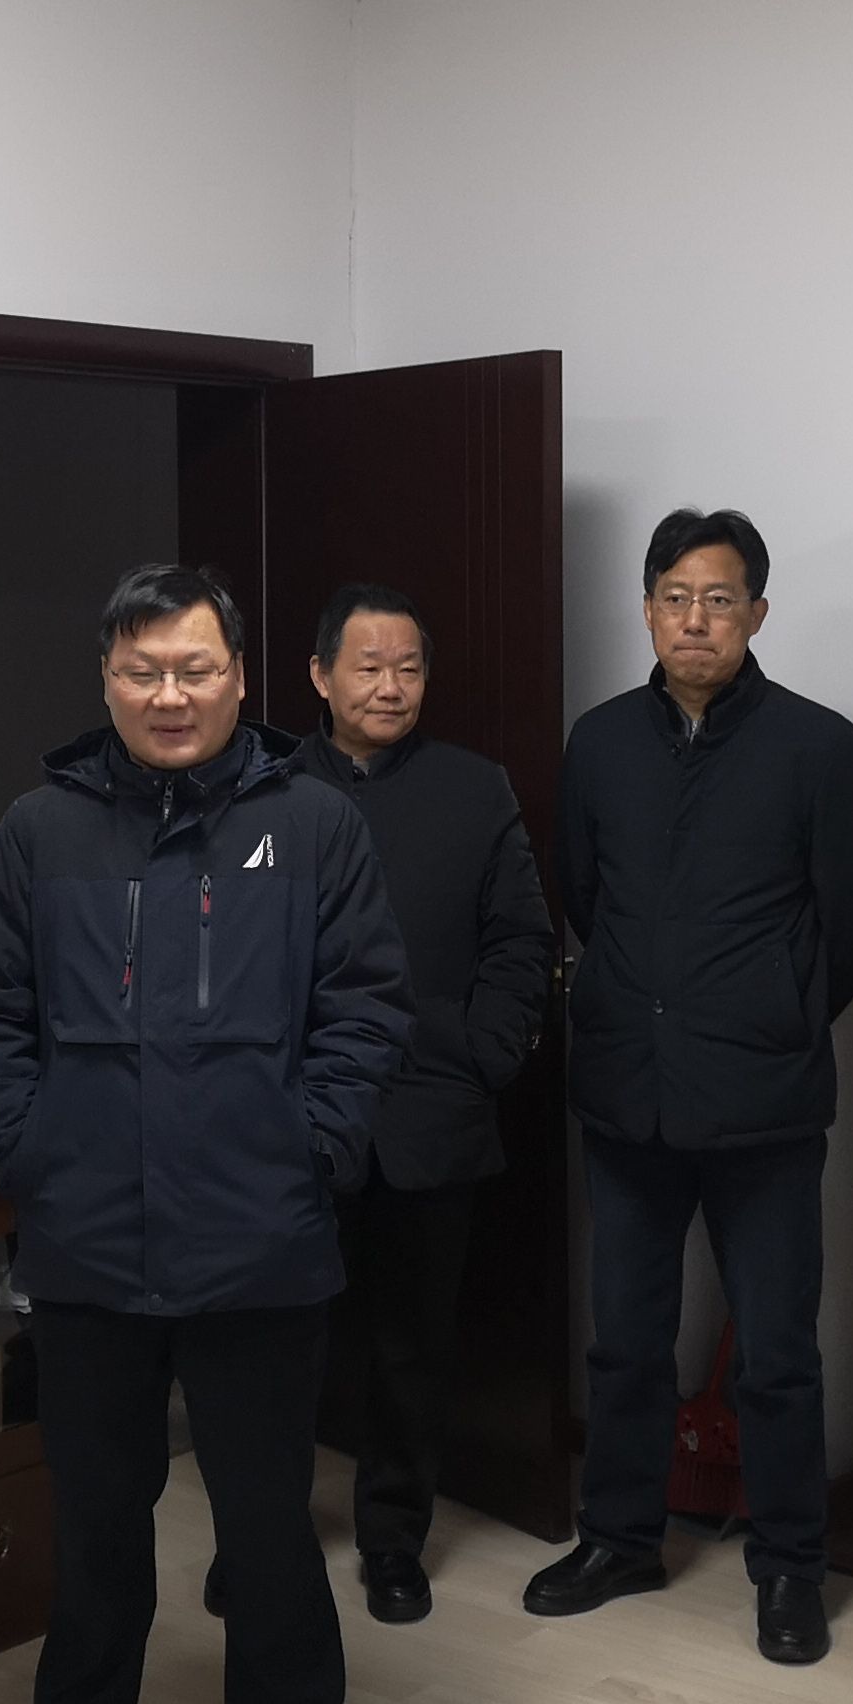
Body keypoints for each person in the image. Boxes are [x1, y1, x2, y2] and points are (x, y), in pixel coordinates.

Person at [0, 563, 414, 1704]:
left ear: (241, 678)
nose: (170, 695)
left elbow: (367, 1006)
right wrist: (30, 1151)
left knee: (268, 1529)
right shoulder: (42, 831)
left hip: (261, 1243)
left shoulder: (312, 824)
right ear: (106, 681)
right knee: (96, 1525)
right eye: (142, 671)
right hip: (88, 1245)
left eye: (195, 670)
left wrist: (312, 1147)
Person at [526, 508, 853, 1665]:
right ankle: (620, 1539)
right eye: (675, 598)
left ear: (757, 614)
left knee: (777, 1350)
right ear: (646, 610)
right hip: (627, 1094)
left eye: (720, 599)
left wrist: (771, 1011)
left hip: (764, 1103)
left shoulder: (820, 749)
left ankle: (787, 1568)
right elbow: (584, 895)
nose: (696, 620)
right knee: (626, 1341)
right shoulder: (599, 743)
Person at [293, 583, 555, 1624]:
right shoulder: (268, 789)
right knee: (280, 1342)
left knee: (413, 1345)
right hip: (290, 1118)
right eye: (368, 666)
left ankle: (393, 1538)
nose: (390, 686)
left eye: (408, 667)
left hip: (430, 1110)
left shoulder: (473, 789)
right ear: (321, 676)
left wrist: (484, 1053)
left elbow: (522, 939)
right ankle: (265, 1535)